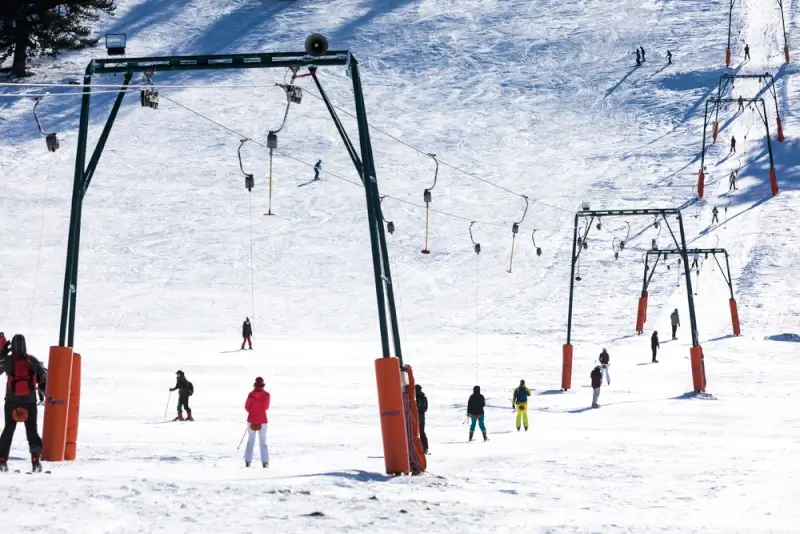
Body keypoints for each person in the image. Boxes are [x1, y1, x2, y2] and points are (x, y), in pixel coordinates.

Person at [0, 334, 47, 472]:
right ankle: (35, 460)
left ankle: (2, 461)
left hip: (11, 402)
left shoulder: (8, 360)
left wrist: (2, 355)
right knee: (32, 431)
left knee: (8, 430)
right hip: (29, 402)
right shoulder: (32, 360)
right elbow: (43, 377)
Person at [244, 376, 270, 468]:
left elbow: (247, 407)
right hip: (262, 420)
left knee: (250, 440)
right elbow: (266, 407)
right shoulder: (266, 395)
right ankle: (265, 462)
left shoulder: (251, 394)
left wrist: (252, 411)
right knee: (263, 441)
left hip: (251, 419)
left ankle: (248, 460)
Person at [415, 384, 428, 454]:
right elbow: (425, 408)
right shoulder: (424, 397)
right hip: (422, 417)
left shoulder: (415, 397)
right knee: (422, 432)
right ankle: (425, 448)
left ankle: (416, 448)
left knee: (415, 433)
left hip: (416, 417)